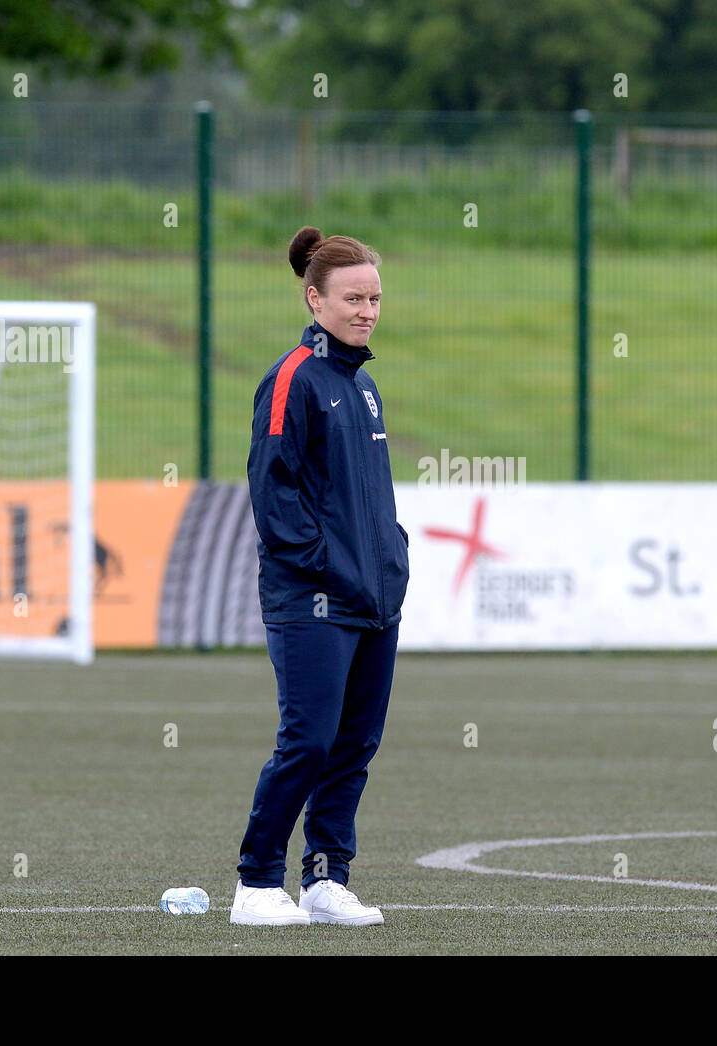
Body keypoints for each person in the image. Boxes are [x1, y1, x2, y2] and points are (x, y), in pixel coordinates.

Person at [231, 226, 409, 927]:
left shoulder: (364, 389)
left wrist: (390, 563)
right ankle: (255, 883)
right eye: (352, 298)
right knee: (307, 739)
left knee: (355, 744)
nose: (366, 310)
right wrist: (325, 567)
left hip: (375, 599)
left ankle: (326, 879)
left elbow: (373, 502)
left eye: (374, 298)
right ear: (314, 299)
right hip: (312, 598)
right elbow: (274, 492)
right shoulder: (291, 380)